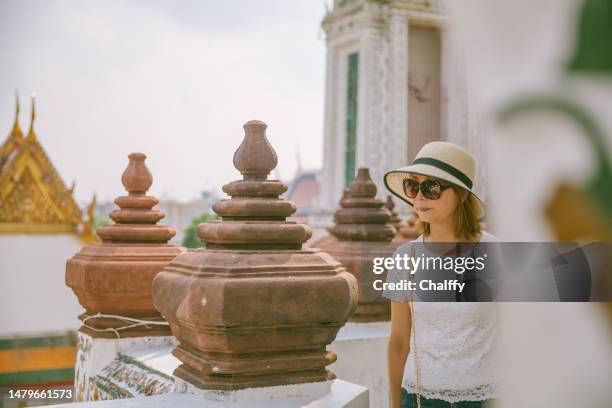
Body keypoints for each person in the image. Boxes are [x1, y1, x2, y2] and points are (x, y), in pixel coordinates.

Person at [383, 141, 499, 408]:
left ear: (460, 195)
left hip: (485, 399)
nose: (419, 197)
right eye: (413, 186)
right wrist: (394, 404)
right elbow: (399, 340)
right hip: (419, 399)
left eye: (432, 187)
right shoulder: (406, 257)